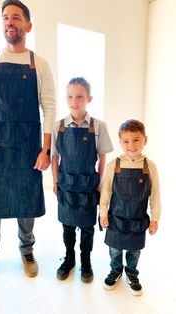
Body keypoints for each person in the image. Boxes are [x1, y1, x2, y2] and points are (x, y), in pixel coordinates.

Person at [0, 0, 56, 282]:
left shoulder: (38, 63)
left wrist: (46, 148)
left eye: (16, 17)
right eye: (5, 17)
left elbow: (50, 106)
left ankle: (27, 250)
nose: (9, 22)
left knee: (26, 199)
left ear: (27, 26)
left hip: (29, 145)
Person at [51, 77, 113, 283]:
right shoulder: (58, 126)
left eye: (79, 96)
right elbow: (55, 157)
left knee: (87, 227)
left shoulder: (98, 126)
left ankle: (85, 260)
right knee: (67, 226)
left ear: (89, 98)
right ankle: (69, 258)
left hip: (88, 185)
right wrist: (54, 182)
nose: (74, 101)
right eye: (70, 96)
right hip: (66, 185)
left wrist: (100, 182)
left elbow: (103, 156)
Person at [100, 119, 161, 295]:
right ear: (120, 143)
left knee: (134, 250)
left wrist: (155, 219)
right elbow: (106, 192)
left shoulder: (150, 167)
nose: (131, 145)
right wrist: (103, 213)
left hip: (137, 219)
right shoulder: (114, 165)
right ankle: (116, 270)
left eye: (136, 139)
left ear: (145, 140)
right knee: (115, 249)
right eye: (126, 141)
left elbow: (155, 195)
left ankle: (132, 273)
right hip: (116, 218)